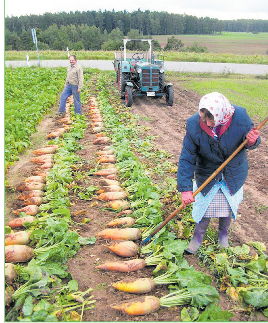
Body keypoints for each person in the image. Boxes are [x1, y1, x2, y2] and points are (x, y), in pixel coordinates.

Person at [177, 92, 260, 254]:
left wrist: (252, 141)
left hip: (233, 172)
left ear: (222, 114)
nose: (207, 124)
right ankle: (198, 237)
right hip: (207, 173)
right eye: (203, 118)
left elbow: (252, 140)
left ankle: (223, 235)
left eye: (211, 119)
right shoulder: (194, 125)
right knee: (204, 208)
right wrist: (185, 189)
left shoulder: (241, 117)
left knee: (227, 207)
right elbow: (187, 158)